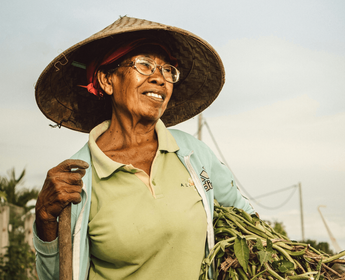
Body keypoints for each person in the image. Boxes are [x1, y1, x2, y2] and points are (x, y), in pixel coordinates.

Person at [34, 16, 255, 280]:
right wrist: (45, 217)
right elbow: (58, 275)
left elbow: (247, 220)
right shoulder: (80, 179)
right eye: (144, 64)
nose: (160, 78)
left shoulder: (193, 155)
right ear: (106, 80)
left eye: (167, 70)